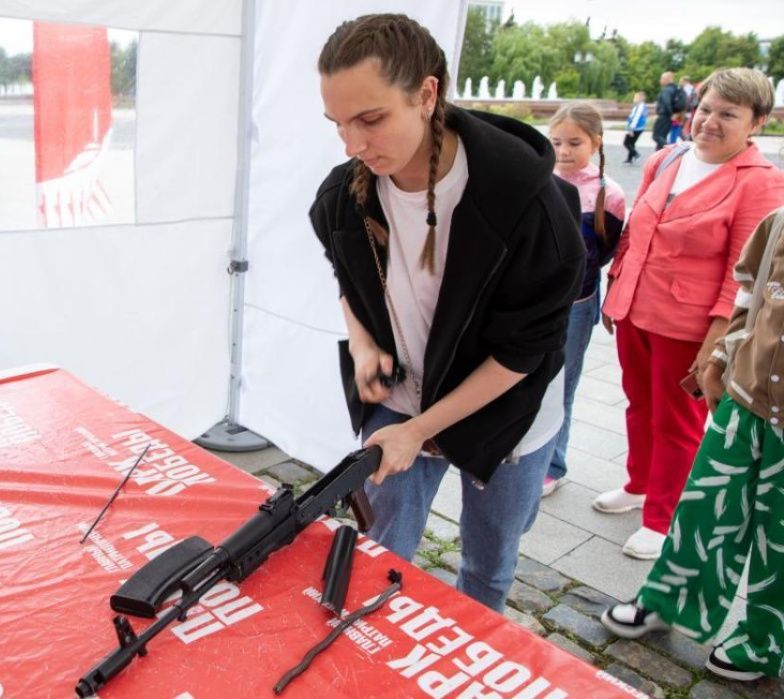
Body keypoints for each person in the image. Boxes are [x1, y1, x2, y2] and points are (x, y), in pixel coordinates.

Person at [311, 13, 584, 611]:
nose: (353, 145)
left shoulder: (526, 202)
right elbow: (348, 277)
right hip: (401, 402)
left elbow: (524, 350)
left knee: (488, 563)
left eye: (371, 119)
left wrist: (421, 430)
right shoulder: (342, 196)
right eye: (338, 124)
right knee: (380, 549)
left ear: (426, 94)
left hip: (508, 413)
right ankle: (372, 647)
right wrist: (364, 344)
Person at [595, 67, 784, 559]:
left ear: (757, 123)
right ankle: (638, 484)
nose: (709, 121)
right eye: (705, 109)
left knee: (676, 421)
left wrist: (715, 343)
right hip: (636, 310)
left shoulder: (760, 182)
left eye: (728, 114)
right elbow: (636, 231)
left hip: (689, 327)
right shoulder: (667, 158)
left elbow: (743, 276)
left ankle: (663, 517)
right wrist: (616, 289)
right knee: (639, 404)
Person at [601, 207, 784, 684]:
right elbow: (750, 297)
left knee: (779, 537)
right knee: (703, 511)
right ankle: (666, 600)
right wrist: (720, 356)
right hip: (746, 400)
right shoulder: (779, 223)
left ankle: (763, 640)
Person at [542, 103, 627, 496]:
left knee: (563, 384)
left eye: (574, 143)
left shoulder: (609, 194)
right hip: (537, 300)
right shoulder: (539, 180)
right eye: (556, 141)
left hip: (577, 303)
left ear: (595, 143)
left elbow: (606, 249)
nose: (563, 150)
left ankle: (553, 465)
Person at [652, 71, 685, 151]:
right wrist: (674, 114)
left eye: (662, 78)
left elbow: (667, 103)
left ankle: (670, 150)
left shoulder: (666, 90)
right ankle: (660, 154)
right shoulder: (676, 88)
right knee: (662, 136)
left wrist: (671, 114)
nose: (660, 80)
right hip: (670, 117)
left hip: (664, 116)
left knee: (656, 136)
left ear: (667, 79)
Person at [623, 91, 648, 164]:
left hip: (636, 128)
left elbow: (636, 118)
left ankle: (635, 154)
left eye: (636, 97)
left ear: (641, 98)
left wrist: (631, 129)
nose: (634, 99)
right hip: (637, 128)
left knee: (626, 142)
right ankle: (629, 159)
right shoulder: (639, 106)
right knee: (631, 143)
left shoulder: (640, 107)